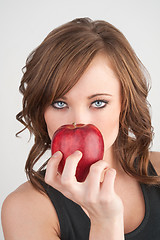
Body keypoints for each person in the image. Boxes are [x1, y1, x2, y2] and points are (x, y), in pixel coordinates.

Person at [1, 17, 160, 240]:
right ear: (43, 111)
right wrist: (105, 222)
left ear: (124, 104)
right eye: (59, 103)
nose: (78, 121)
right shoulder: (25, 209)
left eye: (98, 103)